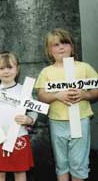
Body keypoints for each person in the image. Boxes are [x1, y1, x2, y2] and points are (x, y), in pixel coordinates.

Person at [35, 28, 98, 181]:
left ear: (72, 46)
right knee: (61, 161)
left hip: (80, 119)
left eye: (64, 43)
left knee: (79, 161)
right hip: (57, 121)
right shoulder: (47, 72)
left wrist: (85, 94)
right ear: (49, 51)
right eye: (55, 45)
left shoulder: (84, 67)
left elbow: (96, 89)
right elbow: (41, 94)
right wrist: (57, 95)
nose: (61, 47)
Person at [0, 53, 37, 181]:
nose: (6, 71)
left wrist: (29, 120)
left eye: (10, 67)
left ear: (17, 70)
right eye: (1, 68)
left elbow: (34, 111)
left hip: (19, 136)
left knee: (20, 170)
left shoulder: (25, 91)